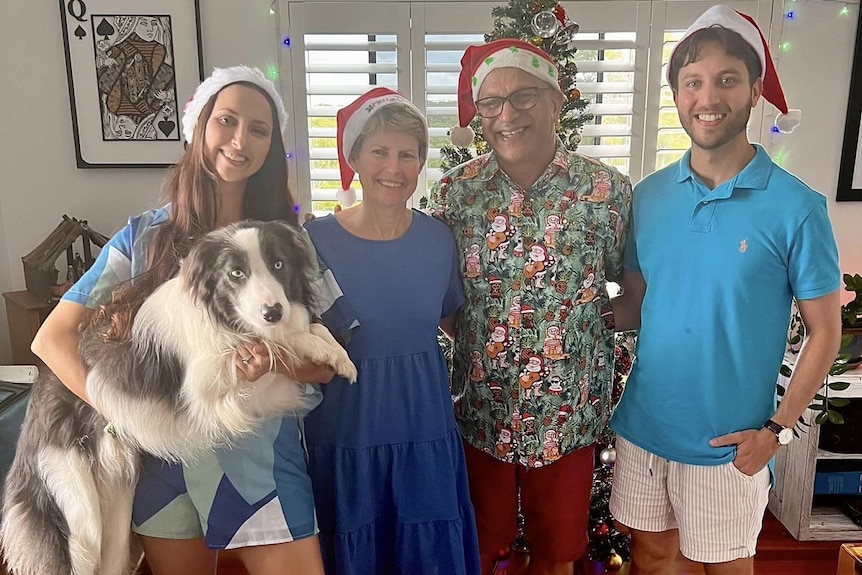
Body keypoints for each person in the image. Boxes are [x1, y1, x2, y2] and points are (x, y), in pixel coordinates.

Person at [31, 66, 333, 575]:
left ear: (271, 146)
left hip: (265, 471)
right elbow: (52, 339)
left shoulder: (291, 241)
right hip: (164, 472)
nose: (240, 141)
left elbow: (324, 366)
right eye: (227, 120)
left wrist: (272, 362)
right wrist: (123, 414)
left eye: (259, 129)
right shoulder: (143, 239)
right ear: (199, 127)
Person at [608, 6, 842, 575]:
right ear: (677, 94)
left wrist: (777, 431)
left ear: (755, 90)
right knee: (655, 558)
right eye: (692, 82)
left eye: (725, 80)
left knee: (726, 567)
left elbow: (825, 333)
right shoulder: (650, 196)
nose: (706, 97)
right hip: (643, 427)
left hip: (731, 443)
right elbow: (636, 306)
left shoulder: (797, 207)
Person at [424, 39, 633, 575]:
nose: (506, 114)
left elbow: (632, 290)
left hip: (567, 419)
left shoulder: (606, 192)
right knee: (479, 547)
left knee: (557, 554)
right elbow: (439, 298)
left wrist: (584, 330)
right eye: (490, 102)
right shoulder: (453, 195)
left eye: (524, 95)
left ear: (557, 101)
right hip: (480, 415)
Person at [302, 87, 481, 575]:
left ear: (421, 163)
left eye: (408, 154)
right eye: (379, 151)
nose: (394, 167)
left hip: (424, 429)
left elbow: (452, 321)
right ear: (355, 157)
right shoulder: (312, 243)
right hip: (347, 432)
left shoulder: (439, 239)